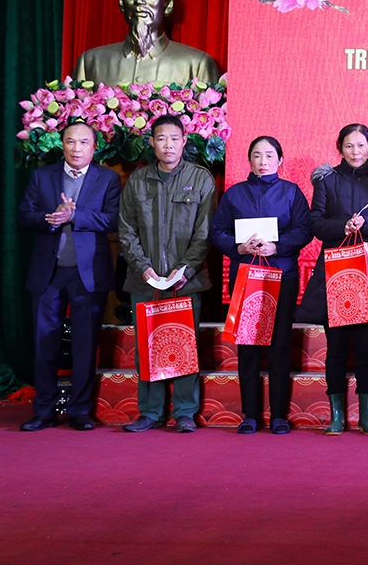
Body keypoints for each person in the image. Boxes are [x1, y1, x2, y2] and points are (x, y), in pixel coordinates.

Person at [17, 121, 121, 431]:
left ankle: (79, 411)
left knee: (84, 345)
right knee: (44, 343)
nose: (77, 148)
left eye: (84, 142)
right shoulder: (42, 176)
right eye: (71, 142)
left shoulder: (108, 178)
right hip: (48, 273)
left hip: (88, 273)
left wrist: (75, 215)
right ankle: (44, 411)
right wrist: (49, 218)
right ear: (62, 144)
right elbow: (24, 217)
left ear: (94, 147)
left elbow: (113, 220)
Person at [298, 124, 368, 436]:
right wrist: (343, 225)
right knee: (337, 347)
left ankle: (367, 415)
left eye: (361, 146)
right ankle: (336, 415)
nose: (356, 152)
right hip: (336, 271)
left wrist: (367, 224)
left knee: (366, 346)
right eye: (349, 146)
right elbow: (316, 222)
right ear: (340, 148)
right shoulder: (327, 180)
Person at [118, 114, 215, 433]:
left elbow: (204, 232)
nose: (168, 145)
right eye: (161, 138)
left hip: (186, 280)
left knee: (184, 344)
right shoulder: (138, 180)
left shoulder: (200, 178)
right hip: (144, 281)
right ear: (152, 143)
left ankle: (185, 412)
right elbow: (126, 229)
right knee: (147, 346)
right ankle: (150, 411)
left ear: (184, 141)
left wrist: (184, 269)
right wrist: (143, 268)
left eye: (174, 138)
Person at [211, 136, 312, 435]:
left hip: (282, 276)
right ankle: (250, 415)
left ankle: (279, 415)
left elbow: (303, 229)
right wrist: (238, 247)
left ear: (280, 160)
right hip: (246, 277)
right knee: (248, 348)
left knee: (280, 346)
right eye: (257, 155)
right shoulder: (234, 194)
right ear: (249, 160)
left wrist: (276, 246)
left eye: (269, 155)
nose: (263, 161)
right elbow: (217, 231)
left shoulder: (291, 192)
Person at [74, 0, 220, 87]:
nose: (139, 0)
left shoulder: (197, 65)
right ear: (121, 2)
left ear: (168, 4)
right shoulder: (90, 62)